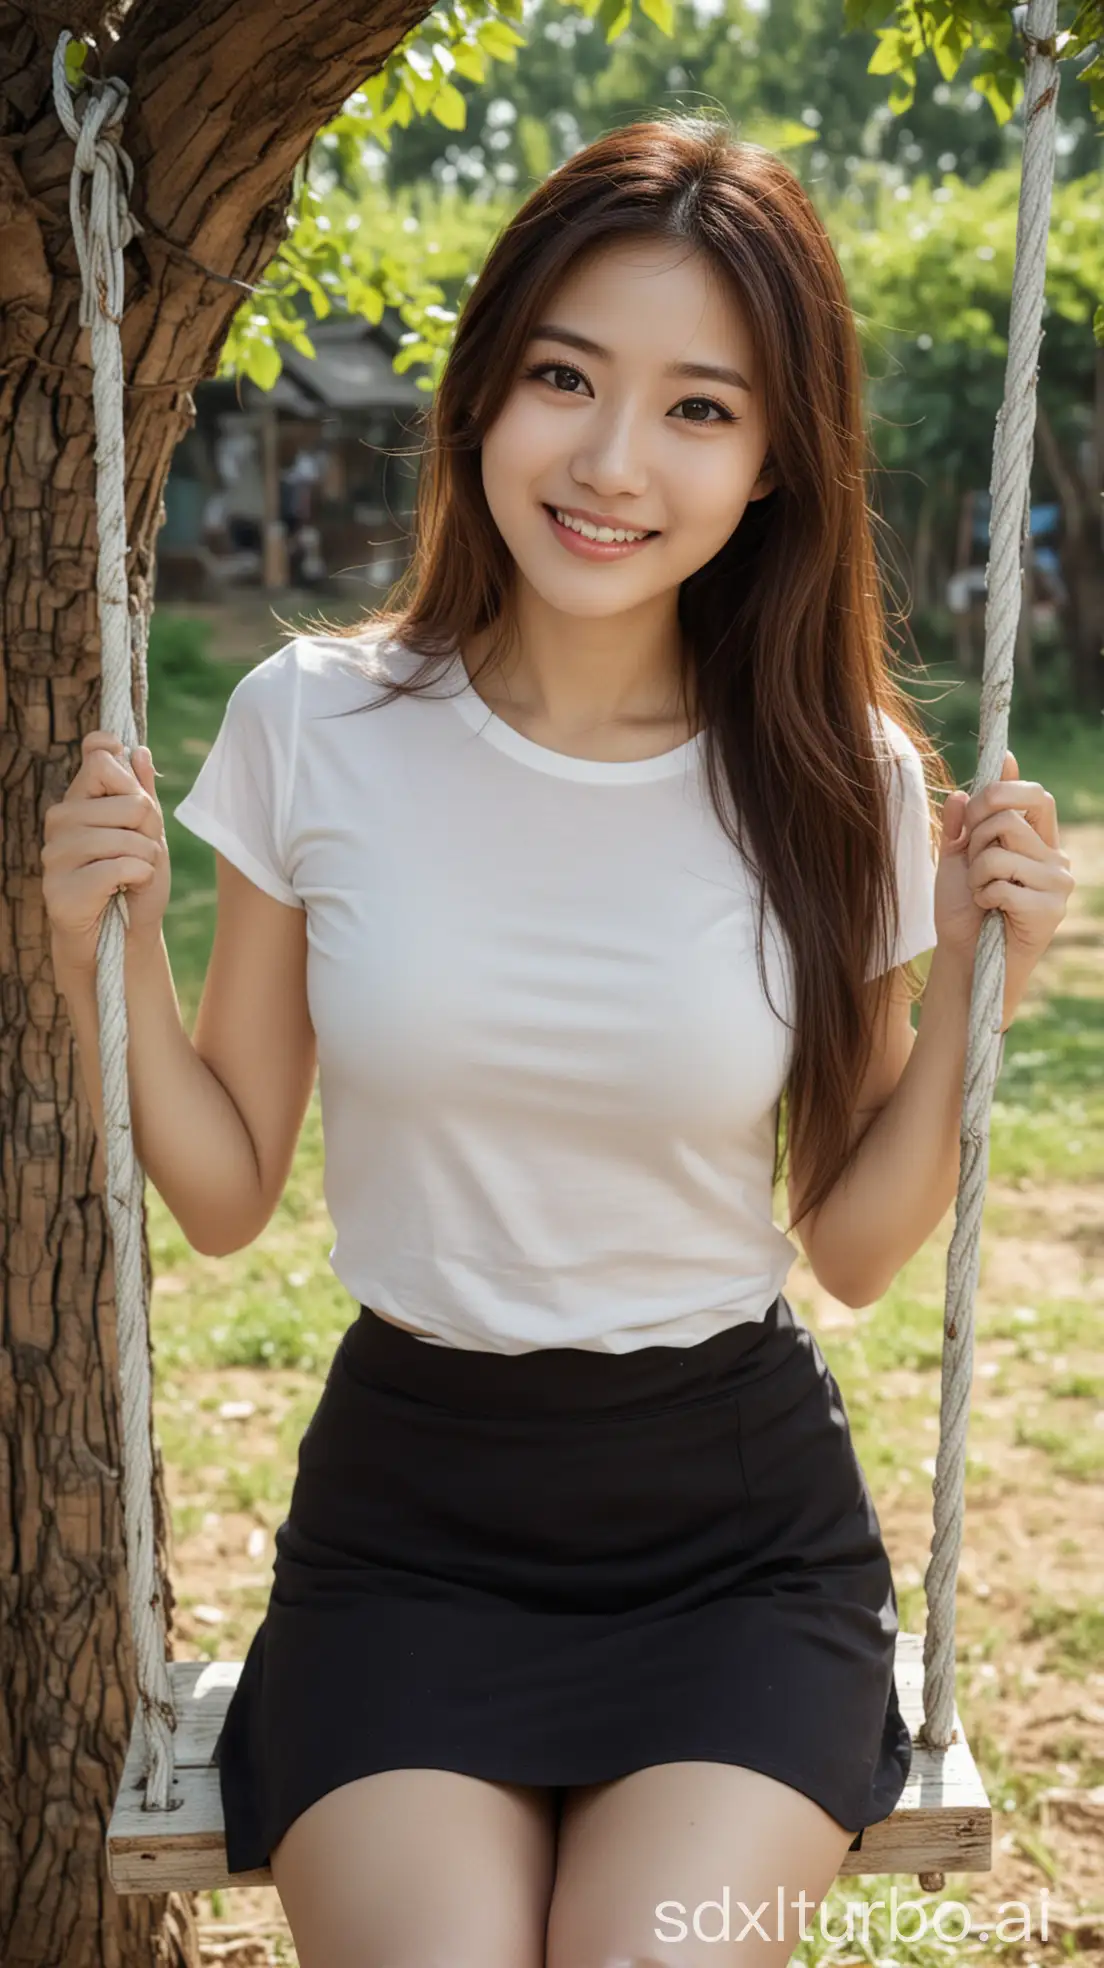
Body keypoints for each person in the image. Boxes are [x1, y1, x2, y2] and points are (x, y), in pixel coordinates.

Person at [44, 112, 1074, 1968]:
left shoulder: (842, 777)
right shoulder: (317, 725)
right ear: (484, 394)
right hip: (410, 1536)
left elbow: (847, 1242)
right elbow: (215, 1194)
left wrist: (986, 1002)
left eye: (700, 407)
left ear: (773, 463)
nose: (611, 462)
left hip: (736, 1553)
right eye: (565, 378)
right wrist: (86, 955)